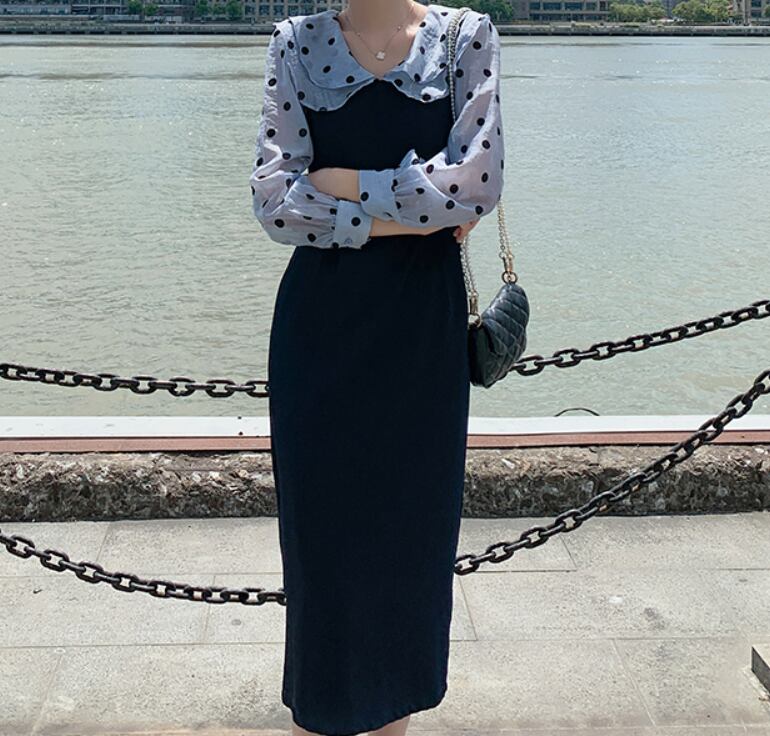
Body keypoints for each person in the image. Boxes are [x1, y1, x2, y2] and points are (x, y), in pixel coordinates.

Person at [249, 1, 504, 734]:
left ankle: (395, 713)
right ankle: (322, 714)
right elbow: (274, 202)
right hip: (320, 332)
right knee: (321, 543)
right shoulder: (295, 41)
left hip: (418, 333)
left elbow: (478, 185)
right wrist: (410, 210)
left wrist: (343, 184)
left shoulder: (465, 38)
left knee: (411, 536)